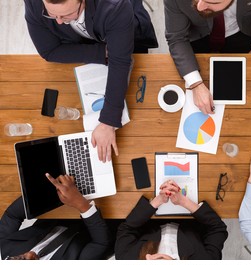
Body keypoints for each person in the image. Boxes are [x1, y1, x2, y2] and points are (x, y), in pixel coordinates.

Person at [24, 0, 158, 162]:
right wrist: (101, 52)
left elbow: (121, 62)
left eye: (67, 14)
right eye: (52, 14)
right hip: (86, 44)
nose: (59, 21)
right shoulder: (34, 2)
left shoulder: (115, 5)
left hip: (126, 33)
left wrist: (108, 122)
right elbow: (49, 51)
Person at [164, 0, 251, 115]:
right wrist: (195, 84)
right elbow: (177, 38)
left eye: (213, 2)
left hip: (240, 32)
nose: (200, 6)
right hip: (197, 34)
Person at [0, 173, 114, 260]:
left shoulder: (5, 248)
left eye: (22, 257)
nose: (30, 253)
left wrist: (54, 192)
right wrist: (81, 204)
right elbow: (100, 243)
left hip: (65, 205)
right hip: (107, 217)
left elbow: (12, 216)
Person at [115, 180, 228, 260]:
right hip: (191, 216)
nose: (148, 257)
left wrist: (157, 201)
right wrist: (184, 202)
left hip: (150, 217)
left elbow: (126, 228)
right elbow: (217, 228)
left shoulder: (126, 262)